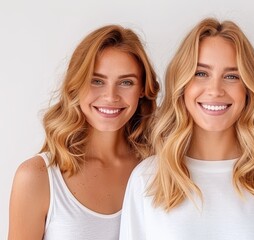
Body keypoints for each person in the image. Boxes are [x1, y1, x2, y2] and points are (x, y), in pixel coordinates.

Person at [119, 18, 254, 240]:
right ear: (182, 85)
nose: (215, 90)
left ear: (248, 90)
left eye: (232, 76)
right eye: (201, 73)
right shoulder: (147, 178)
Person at [8, 25, 159, 239]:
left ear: (143, 89)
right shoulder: (37, 177)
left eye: (126, 82)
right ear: (76, 85)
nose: (110, 96)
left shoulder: (159, 170)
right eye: (96, 81)